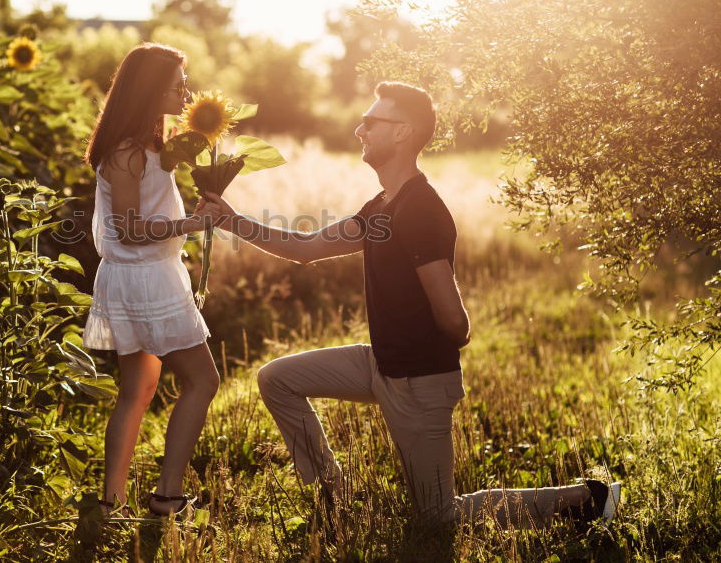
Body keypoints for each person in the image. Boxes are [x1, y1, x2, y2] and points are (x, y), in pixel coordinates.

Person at [203, 81, 621, 529]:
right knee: (277, 379)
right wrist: (232, 220)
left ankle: (589, 498)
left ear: (402, 132)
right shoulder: (381, 206)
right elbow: (306, 247)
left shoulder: (419, 209)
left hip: (419, 382)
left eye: (371, 121)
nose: (359, 129)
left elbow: (454, 321)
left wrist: (429, 358)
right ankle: (333, 493)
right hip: (380, 364)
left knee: (438, 516)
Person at [82, 43, 223, 518]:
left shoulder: (150, 145)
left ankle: (111, 502)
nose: (185, 93)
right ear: (148, 90)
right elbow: (129, 229)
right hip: (144, 278)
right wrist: (190, 227)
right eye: (176, 84)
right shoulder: (126, 152)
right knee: (202, 380)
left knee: (138, 390)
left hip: (141, 276)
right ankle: (167, 495)